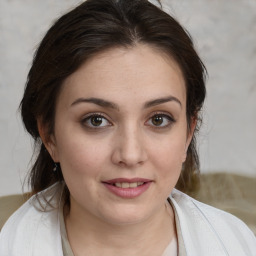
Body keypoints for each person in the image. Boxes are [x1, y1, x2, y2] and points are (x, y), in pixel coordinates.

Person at [0, 0, 255, 255]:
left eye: (158, 119)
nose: (130, 155)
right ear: (49, 135)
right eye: (96, 120)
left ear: (188, 133)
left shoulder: (241, 244)